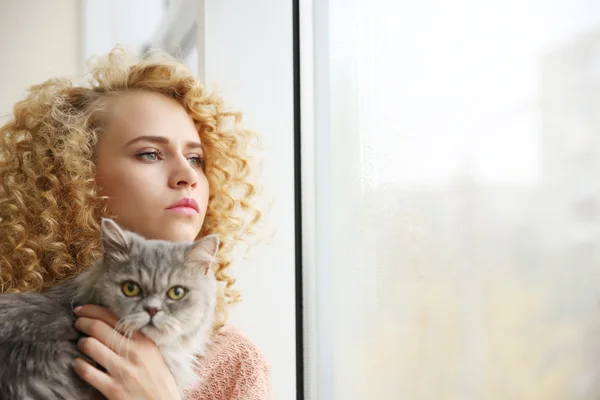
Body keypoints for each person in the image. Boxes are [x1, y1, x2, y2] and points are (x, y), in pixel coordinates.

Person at [0, 48, 270, 399]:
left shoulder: (233, 362)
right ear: (74, 176)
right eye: (150, 154)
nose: (187, 175)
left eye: (196, 158)